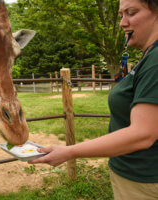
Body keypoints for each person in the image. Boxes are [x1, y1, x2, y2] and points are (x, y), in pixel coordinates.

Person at [29, 0, 158, 199]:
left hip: (144, 181)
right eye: (121, 15)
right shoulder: (148, 56)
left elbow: (143, 133)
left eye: (131, 13)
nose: (122, 23)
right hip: (133, 175)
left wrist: (69, 152)